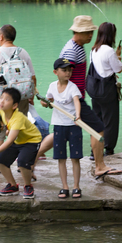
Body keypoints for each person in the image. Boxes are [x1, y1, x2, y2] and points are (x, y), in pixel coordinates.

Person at [38, 15, 122, 179]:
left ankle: (29, 160)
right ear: (77, 32)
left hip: (74, 97)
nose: (90, 35)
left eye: (91, 32)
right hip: (72, 100)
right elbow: (61, 73)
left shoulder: (79, 47)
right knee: (98, 128)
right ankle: (99, 166)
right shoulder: (71, 50)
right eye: (87, 32)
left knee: (59, 133)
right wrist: (55, 95)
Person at [0, 88, 42, 199]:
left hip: (31, 140)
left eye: (6, 100)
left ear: (14, 105)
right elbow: (4, 122)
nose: (2, 101)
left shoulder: (18, 118)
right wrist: (4, 127)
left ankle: (28, 186)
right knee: (0, 160)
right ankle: (12, 185)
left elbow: (9, 140)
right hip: (18, 140)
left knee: (22, 162)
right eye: (1, 98)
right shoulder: (3, 111)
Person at [0, 24, 37, 151]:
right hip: (21, 95)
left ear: (0, 37)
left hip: (2, 96)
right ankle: (21, 159)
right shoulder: (23, 52)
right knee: (20, 126)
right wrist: (31, 95)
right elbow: (32, 77)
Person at [42, 58, 83, 199]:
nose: (68, 73)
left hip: (73, 125)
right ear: (55, 72)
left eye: (69, 70)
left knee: (75, 158)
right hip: (59, 126)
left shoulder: (72, 87)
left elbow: (77, 101)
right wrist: (45, 103)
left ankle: (76, 186)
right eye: (64, 70)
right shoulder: (52, 86)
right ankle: (64, 186)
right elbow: (48, 100)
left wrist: (78, 115)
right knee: (61, 158)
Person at [90, 22, 122, 155]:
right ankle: (108, 149)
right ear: (111, 35)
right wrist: (118, 56)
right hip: (107, 90)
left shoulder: (94, 49)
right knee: (110, 121)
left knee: (97, 120)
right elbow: (118, 69)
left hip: (95, 90)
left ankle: (94, 151)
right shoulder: (109, 51)